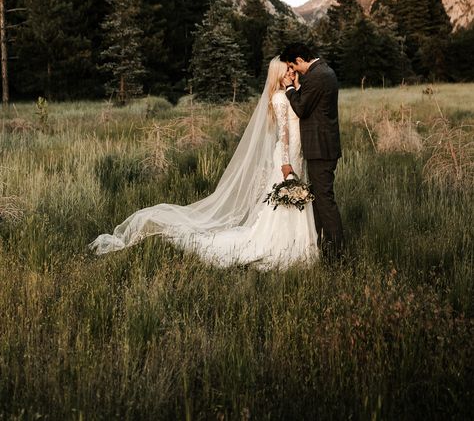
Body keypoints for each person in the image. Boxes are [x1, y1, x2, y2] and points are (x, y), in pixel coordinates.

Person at [89, 57, 318, 270]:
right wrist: (286, 163)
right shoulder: (279, 97)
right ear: (278, 73)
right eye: (287, 68)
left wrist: (295, 86)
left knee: (293, 198)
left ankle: (297, 243)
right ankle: (283, 244)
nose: (292, 71)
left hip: (297, 154)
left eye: (292, 67)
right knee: (284, 199)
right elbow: (284, 133)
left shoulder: (289, 93)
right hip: (288, 156)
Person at [280, 42, 344, 261]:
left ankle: (336, 255)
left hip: (321, 148)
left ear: (299, 60)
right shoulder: (322, 71)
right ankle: (324, 248)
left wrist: (289, 88)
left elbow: (301, 108)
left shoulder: (317, 76)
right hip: (322, 146)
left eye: (292, 66)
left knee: (325, 201)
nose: (293, 70)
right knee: (320, 199)